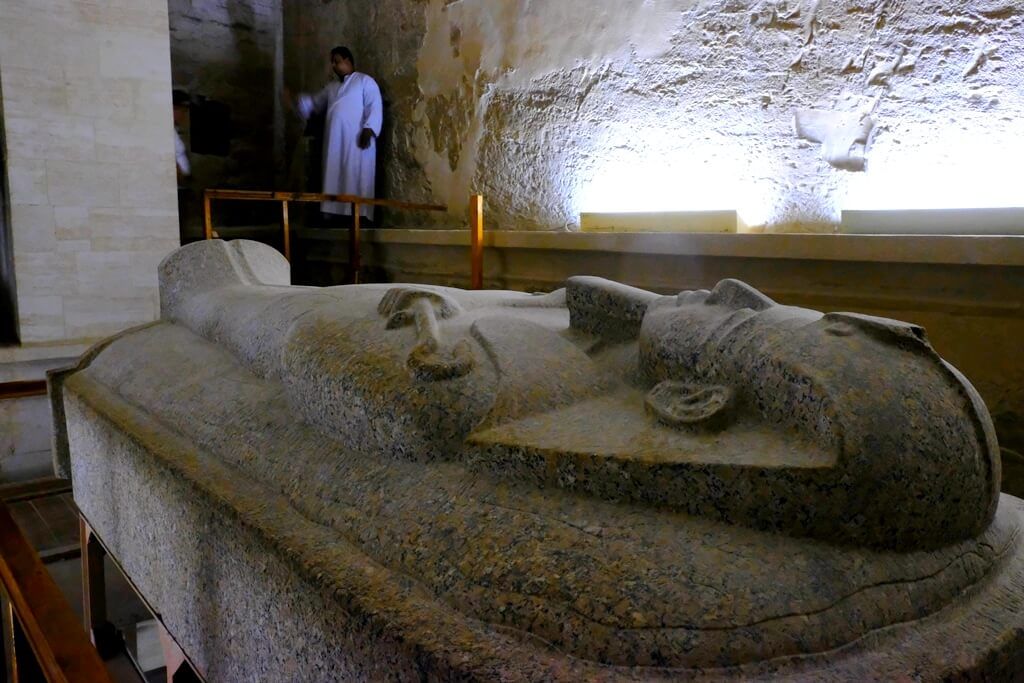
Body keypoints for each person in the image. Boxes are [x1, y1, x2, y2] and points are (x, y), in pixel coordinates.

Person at [294, 46, 383, 223]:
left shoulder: (365, 81)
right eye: (332, 62)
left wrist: (369, 128)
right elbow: (313, 103)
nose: (334, 66)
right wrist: (295, 100)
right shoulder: (332, 88)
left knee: (356, 174)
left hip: (357, 141)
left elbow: (374, 104)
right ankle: (334, 214)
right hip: (335, 142)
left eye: (337, 61)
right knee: (335, 173)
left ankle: (359, 216)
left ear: (348, 60)